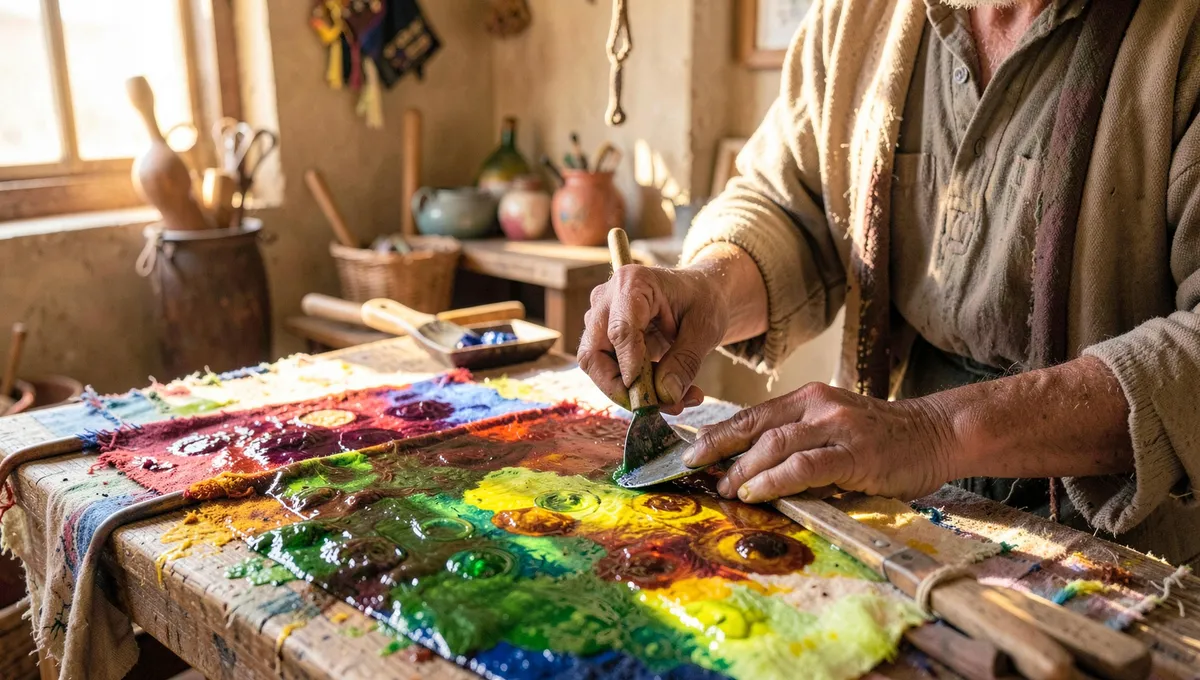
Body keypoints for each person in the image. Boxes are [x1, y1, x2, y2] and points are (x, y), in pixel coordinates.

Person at [578, 0, 1200, 564]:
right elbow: (786, 204)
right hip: (890, 504)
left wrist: (932, 433)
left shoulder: (1181, 34)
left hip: (1124, 548)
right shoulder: (858, 18)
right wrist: (709, 289)